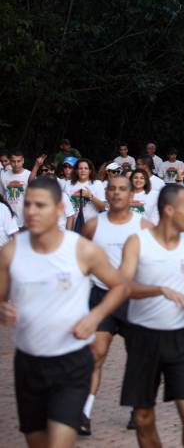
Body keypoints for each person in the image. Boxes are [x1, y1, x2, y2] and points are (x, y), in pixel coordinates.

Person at [0, 177, 128, 447]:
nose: (32, 211)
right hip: (28, 364)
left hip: (71, 362)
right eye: (28, 204)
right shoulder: (11, 252)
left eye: (40, 205)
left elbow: (119, 286)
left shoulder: (81, 249)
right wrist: (3, 313)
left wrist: (94, 317)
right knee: (37, 441)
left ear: (59, 209)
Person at [117, 185, 184, 447]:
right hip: (142, 338)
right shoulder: (138, 242)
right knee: (143, 417)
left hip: (180, 339)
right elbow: (124, 287)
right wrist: (160, 290)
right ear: (169, 210)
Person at [78, 175, 152, 436]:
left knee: (138, 359)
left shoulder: (144, 226)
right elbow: (80, 263)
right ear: (106, 193)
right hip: (100, 297)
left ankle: (137, 408)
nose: (117, 193)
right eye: (112, 189)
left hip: (133, 300)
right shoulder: (92, 227)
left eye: (123, 189)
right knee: (95, 353)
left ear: (132, 195)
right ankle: (84, 413)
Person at [66, 159, 107, 228]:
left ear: (90, 171)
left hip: (91, 226)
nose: (83, 170)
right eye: (80, 168)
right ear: (76, 171)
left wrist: (90, 196)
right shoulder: (68, 184)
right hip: (73, 225)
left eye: (86, 168)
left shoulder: (97, 184)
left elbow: (102, 207)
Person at [0, 151, 31, 228]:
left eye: (18, 161)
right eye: (13, 161)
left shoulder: (29, 175)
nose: (16, 164)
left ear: (23, 161)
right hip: (9, 222)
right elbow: (2, 197)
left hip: (25, 222)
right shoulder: (3, 175)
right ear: (10, 161)